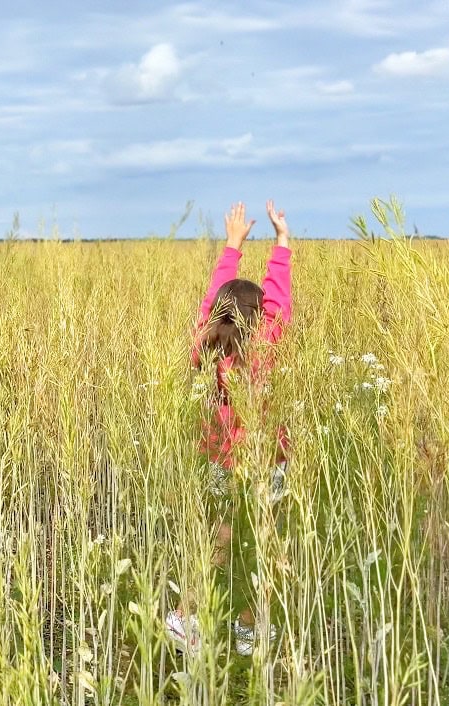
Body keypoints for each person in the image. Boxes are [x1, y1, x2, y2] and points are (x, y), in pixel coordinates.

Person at [166, 200, 293, 657]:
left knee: (218, 540)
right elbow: (278, 299)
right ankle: (248, 631)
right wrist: (281, 242)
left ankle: (185, 617)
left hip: (220, 459)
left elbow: (214, 302)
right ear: (259, 317)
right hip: (266, 462)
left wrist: (233, 245)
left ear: (219, 315)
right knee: (262, 543)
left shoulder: (207, 347)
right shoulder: (266, 344)